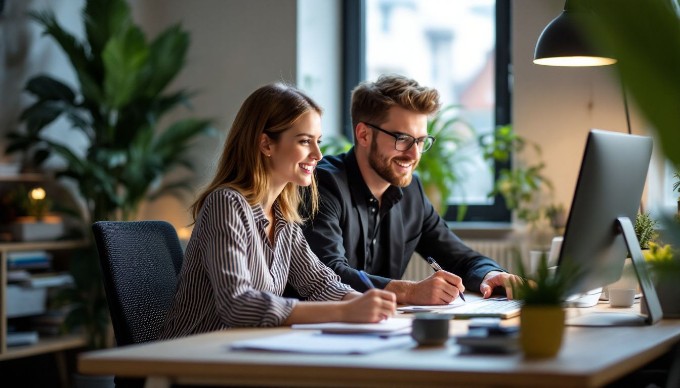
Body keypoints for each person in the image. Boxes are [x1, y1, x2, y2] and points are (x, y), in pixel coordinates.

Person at [160, 83, 396, 339]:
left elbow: (319, 284)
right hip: (192, 362)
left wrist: (366, 304)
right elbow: (238, 304)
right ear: (266, 144)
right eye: (305, 141)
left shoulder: (283, 218)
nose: (317, 154)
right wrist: (344, 312)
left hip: (244, 355)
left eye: (318, 142)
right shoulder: (226, 204)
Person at [302, 74, 519, 306]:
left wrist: (490, 275)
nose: (414, 154)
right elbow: (328, 275)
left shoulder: (411, 192)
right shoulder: (322, 183)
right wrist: (408, 292)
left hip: (379, 329)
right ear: (364, 134)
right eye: (403, 139)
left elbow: (460, 259)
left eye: (421, 141)